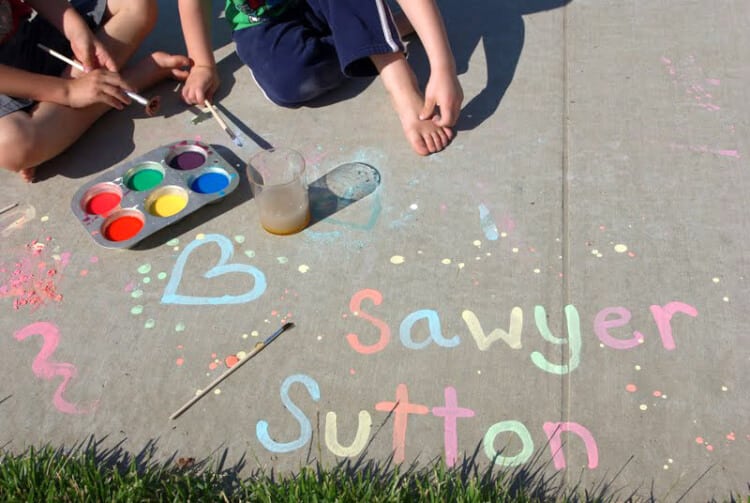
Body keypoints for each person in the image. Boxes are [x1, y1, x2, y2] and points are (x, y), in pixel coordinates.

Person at [177, 0, 463, 156]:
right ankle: (376, 31)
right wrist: (202, 64)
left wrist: (443, 67)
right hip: (266, 19)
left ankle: (399, 84)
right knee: (292, 81)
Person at [0, 0, 192, 182]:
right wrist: (68, 91)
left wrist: (75, 30)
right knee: (13, 145)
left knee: (137, 5)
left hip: (28, 40)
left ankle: (54, 125)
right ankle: (131, 81)